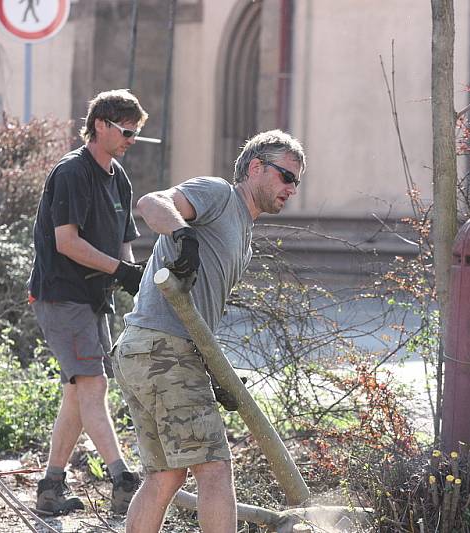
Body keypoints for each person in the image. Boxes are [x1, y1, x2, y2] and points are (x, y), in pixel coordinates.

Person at [113, 130, 305, 533]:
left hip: (142, 350)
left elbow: (198, 314)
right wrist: (182, 235)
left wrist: (215, 373)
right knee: (214, 469)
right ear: (256, 167)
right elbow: (151, 203)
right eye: (287, 176)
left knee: (164, 475)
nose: (292, 188)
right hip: (163, 350)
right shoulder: (219, 194)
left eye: (297, 182)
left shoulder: (244, 236)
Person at [27, 89, 148, 516]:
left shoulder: (120, 178)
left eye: (137, 131)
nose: (132, 138)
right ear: (100, 124)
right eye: (126, 130)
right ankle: (123, 480)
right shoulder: (72, 173)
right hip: (62, 296)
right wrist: (121, 271)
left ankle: (50, 487)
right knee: (93, 387)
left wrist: (138, 281)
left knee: (77, 395)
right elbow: (66, 242)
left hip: (94, 300)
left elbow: (125, 245)